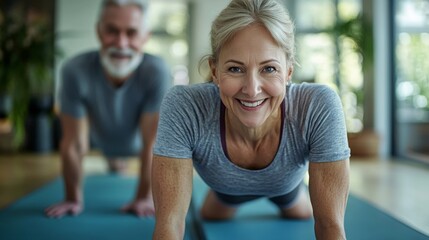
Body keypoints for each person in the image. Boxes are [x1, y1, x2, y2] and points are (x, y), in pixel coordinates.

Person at [152, 0, 351, 239]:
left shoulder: (318, 105)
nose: (252, 89)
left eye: (269, 69)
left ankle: (288, 194)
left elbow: (331, 226)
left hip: (284, 186)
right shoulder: (184, 106)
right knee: (211, 214)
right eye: (236, 69)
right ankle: (227, 194)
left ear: (288, 71)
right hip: (224, 189)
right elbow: (170, 223)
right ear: (214, 71)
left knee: (300, 212)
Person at [45, 0, 170, 218]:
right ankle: (115, 162)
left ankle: (117, 163)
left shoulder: (157, 71)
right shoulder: (75, 70)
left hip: (138, 144)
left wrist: (143, 197)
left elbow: (154, 144)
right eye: (112, 31)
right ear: (98, 31)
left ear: (146, 36)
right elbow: (74, 144)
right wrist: (72, 198)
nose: (121, 43)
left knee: (127, 158)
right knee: (112, 162)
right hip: (98, 140)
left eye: (131, 33)